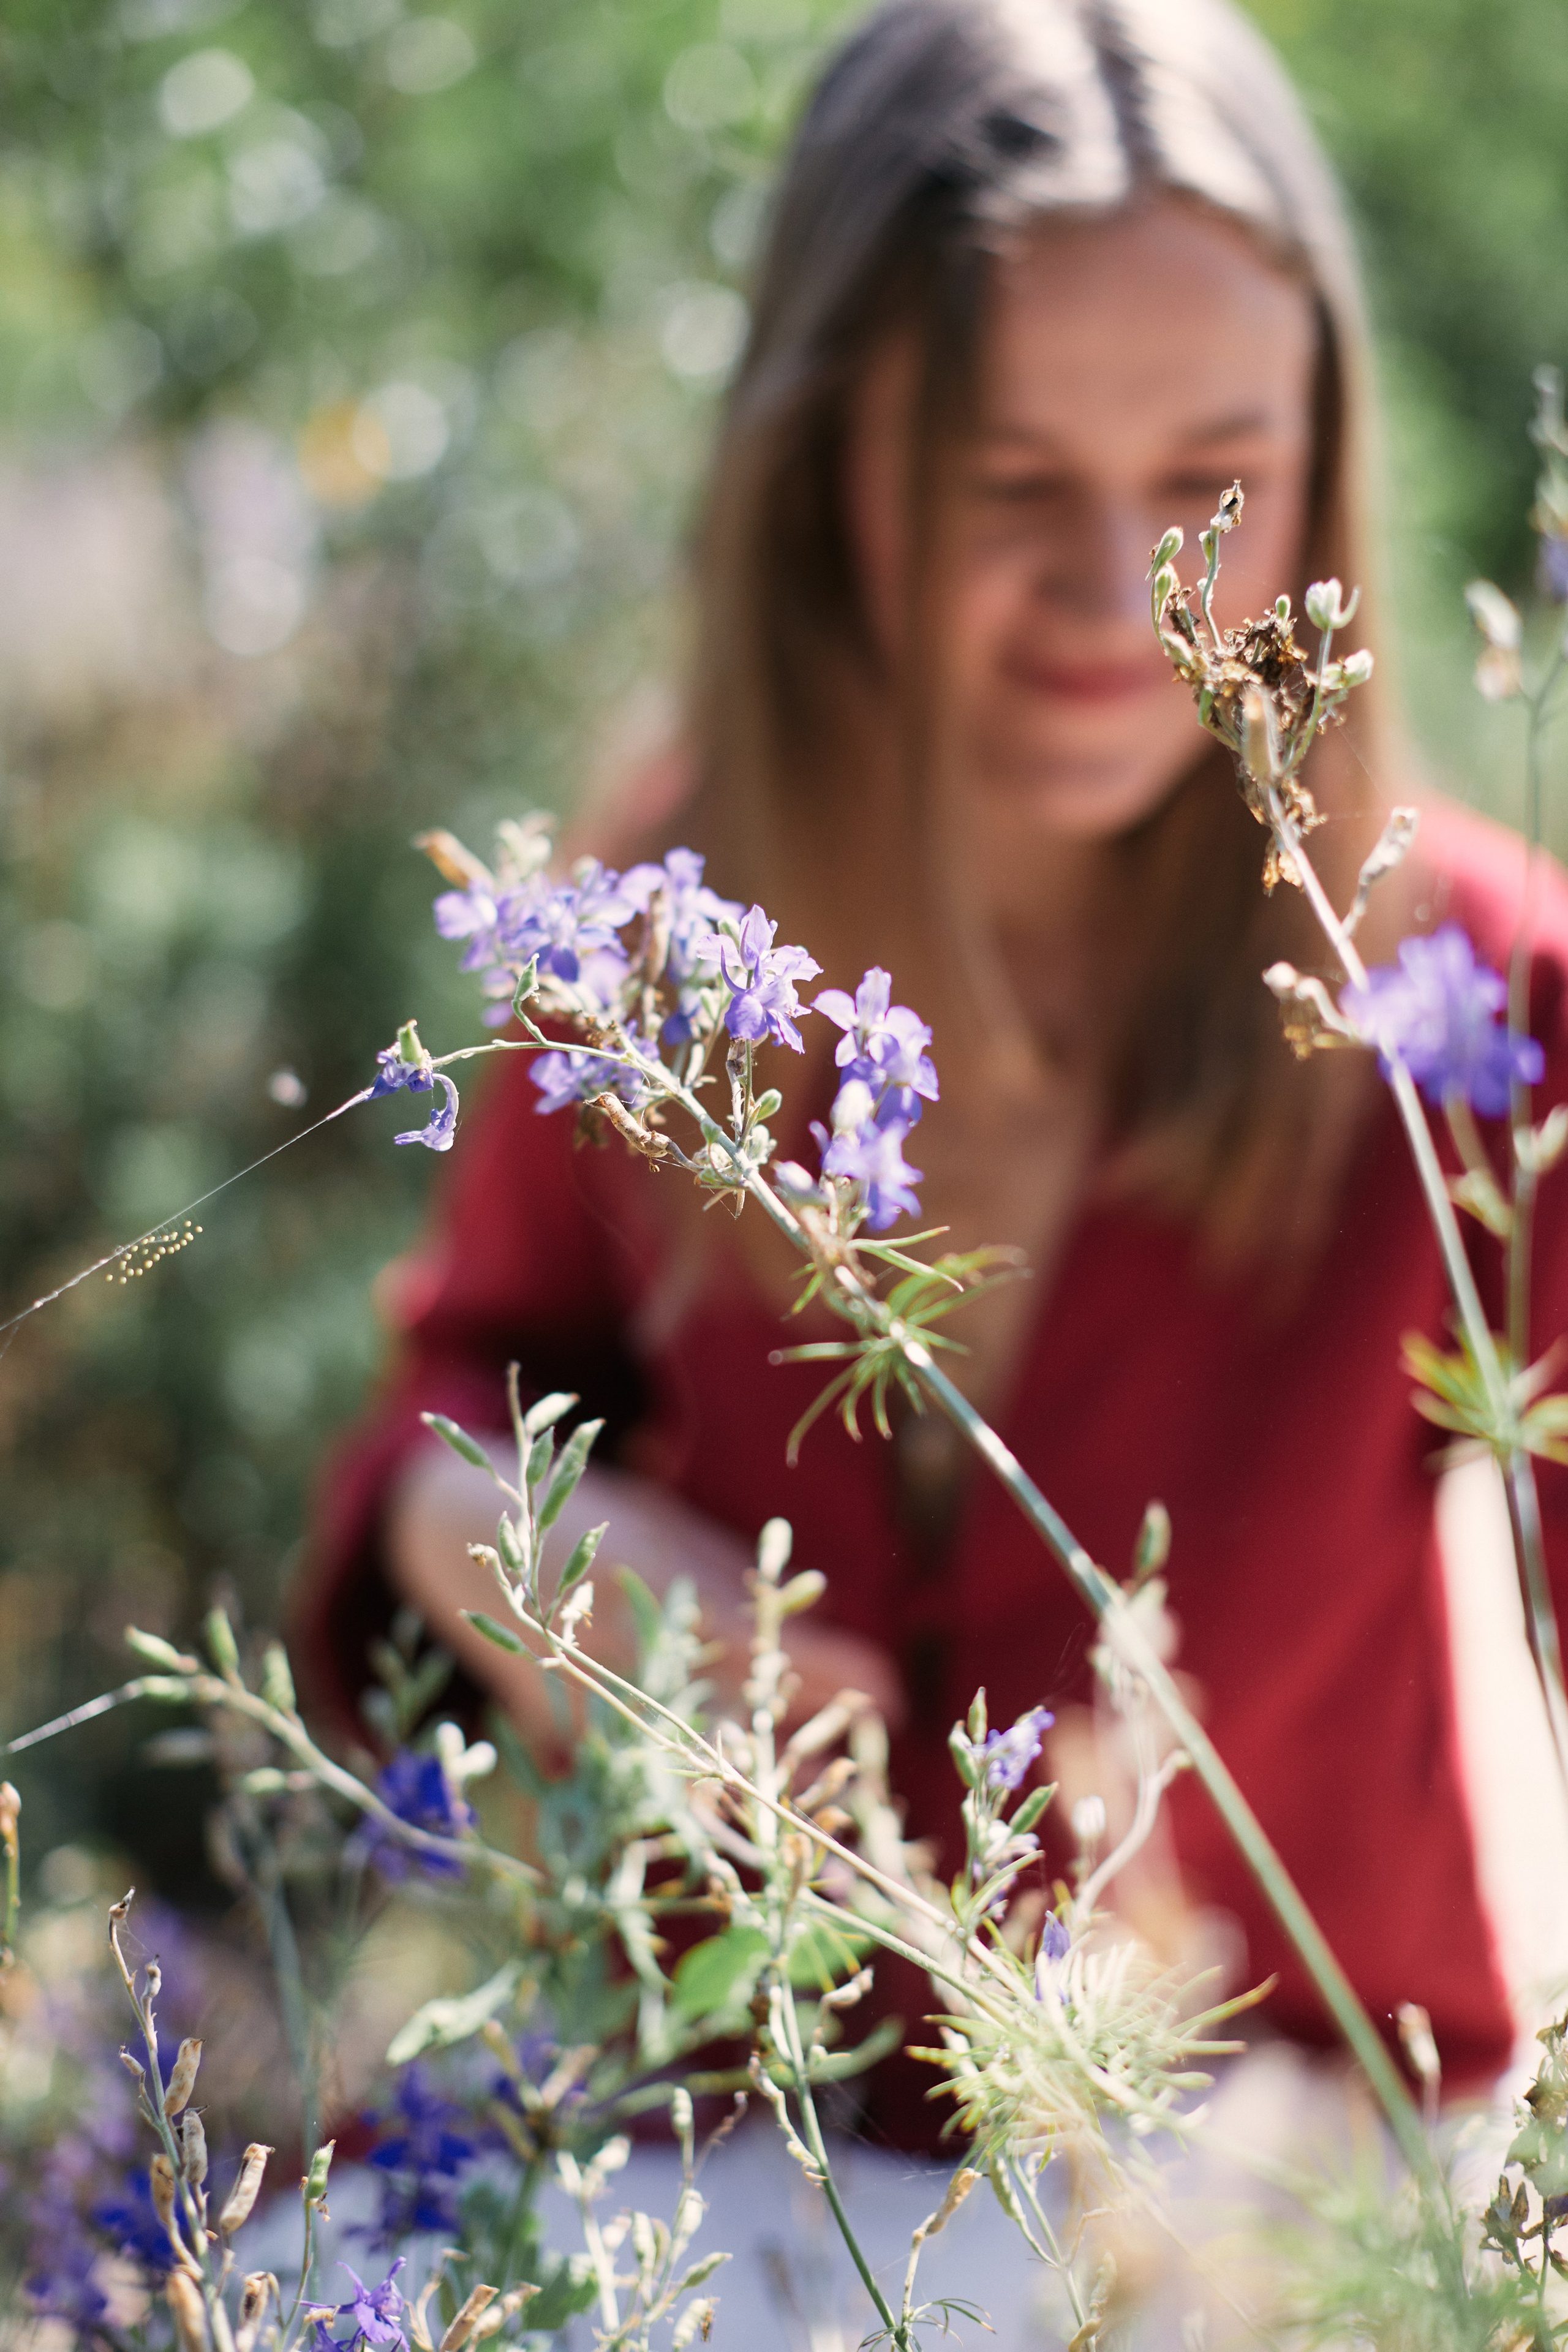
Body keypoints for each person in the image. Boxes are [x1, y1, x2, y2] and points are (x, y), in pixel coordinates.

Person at [293, 0, 1568, 2176]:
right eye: (1009, 482)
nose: (1116, 598)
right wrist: (530, 1551)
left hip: (1278, 2201)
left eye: (1212, 487)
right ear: (823, 473)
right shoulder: (658, 932)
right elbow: (459, 1406)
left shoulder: (1467, 1004)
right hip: (726, 2169)